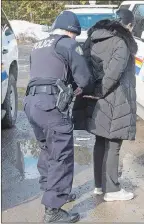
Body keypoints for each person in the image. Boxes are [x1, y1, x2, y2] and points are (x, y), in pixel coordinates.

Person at [23, 11, 91, 223]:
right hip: (51, 105)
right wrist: (78, 90)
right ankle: (53, 211)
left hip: (31, 103)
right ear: (71, 31)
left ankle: (51, 189)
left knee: (47, 150)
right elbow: (85, 79)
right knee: (61, 155)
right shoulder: (68, 45)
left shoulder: (38, 45)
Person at [72, 9, 138, 201]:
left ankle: (99, 186)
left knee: (101, 141)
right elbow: (114, 73)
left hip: (96, 98)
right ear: (129, 25)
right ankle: (113, 190)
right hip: (115, 98)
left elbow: (84, 65)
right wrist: (102, 91)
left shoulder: (93, 38)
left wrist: (93, 91)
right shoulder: (121, 42)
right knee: (114, 143)